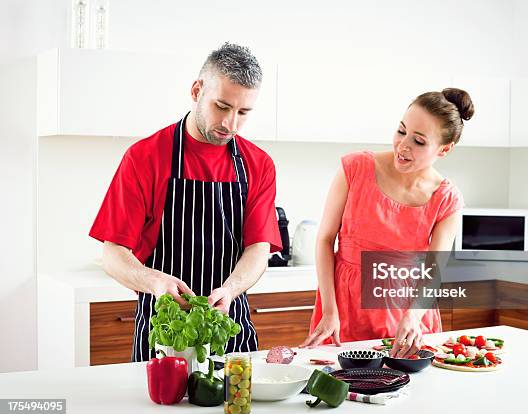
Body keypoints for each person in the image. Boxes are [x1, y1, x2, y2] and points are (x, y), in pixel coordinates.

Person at [89, 43, 281, 361]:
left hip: (229, 330)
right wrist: (155, 281)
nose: (231, 124)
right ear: (196, 91)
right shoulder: (145, 157)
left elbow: (258, 249)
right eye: (221, 106)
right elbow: (113, 254)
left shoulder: (258, 164)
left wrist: (231, 289)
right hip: (165, 334)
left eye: (243, 113)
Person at [300, 88, 473, 358]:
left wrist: (414, 317)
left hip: (407, 312)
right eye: (401, 131)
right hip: (345, 307)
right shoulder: (355, 168)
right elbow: (324, 240)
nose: (403, 145)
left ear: (445, 149)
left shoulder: (446, 199)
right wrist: (330, 311)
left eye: (418, 141)